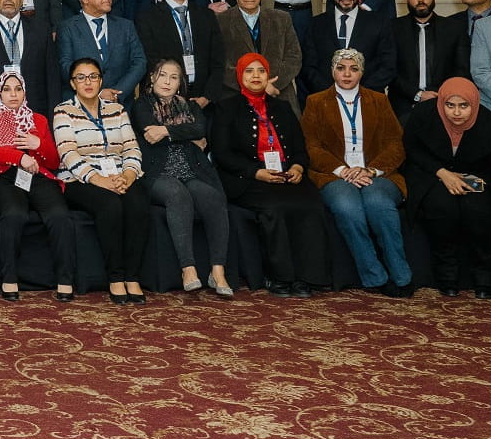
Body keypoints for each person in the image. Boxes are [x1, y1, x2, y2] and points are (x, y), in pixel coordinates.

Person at [210, 53, 331, 297]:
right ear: (239, 76)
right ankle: (279, 277)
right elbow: (222, 153)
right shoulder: (225, 108)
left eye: (261, 71)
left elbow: (300, 148)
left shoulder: (283, 107)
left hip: (286, 174)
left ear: (268, 76)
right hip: (247, 177)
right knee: (275, 207)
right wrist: (256, 173)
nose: (256, 76)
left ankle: (306, 278)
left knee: (311, 205)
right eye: (249, 71)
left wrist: (297, 168)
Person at [302, 48, 413, 296]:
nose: (347, 74)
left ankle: (401, 276)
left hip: (377, 173)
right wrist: (343, 170)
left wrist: (370, 170)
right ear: (332, 71)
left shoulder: (379, 100)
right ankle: (375, 276)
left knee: (379, 204)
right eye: (341, 68)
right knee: (347, 207)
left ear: (362, 72)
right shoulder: (315, 102)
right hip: (333, 174)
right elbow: (311, 146)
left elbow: (396, 144)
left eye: (354, 69)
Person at [403, 77, 491, 298]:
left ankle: (484, 280)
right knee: (443, 208)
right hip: (433, 175)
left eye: (464, 106)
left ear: (474, 104)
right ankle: (447, 278)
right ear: (441, 102)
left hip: (477, 177)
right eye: (450, 105)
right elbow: (411, 150)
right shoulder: (424, 114)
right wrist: (442, 173)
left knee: (478, 210)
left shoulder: (490, 123)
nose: (456, 112)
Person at [53, 58, 150, 304]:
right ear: (72, 83)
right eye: (81, 77)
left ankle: (133, 277)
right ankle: (115, 277)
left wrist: (127, 176)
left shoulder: (117, 110)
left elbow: (132, 148)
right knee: (110, 205)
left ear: (101, 80)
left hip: (120, 175)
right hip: (78, 180)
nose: (88, 82)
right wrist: (100, 180)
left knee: (138, 203)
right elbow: (68, 154)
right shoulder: (63, 111)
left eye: (93, 76)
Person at [133, 59, 232, 296]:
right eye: (162, 75)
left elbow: (199, 129)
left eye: (174, 77)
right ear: (152, 78)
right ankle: (188, 268)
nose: (167, 82)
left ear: (181, 83)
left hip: (191, 170)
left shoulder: (191, 106)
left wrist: (165, 130)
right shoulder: (141, 104)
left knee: (212, 197)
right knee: (178, 195)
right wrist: (184, 135)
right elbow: (149, 132)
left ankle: (217, 270)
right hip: (158, 172)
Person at [0, 70, 73, 302]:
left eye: (18, 89)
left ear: (24, 92)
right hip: (3, 177)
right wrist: (19, 157)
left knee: (59, 215)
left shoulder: (38, 120)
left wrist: (38, 144)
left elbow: (54, 161)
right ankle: (9, 277)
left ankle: (65, 279)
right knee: (14, 213)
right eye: (7, 89)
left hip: (36, 176)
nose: (13, 94)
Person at [134, 0, 224, 104]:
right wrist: (171, 97)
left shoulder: (206, 15)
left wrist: (207, 97)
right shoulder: (148, 18)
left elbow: (218, 60)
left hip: (204, 98)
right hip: (166, 100)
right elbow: (151, 62)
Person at [215, 0, 304, 111]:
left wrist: (272, 85)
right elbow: (219, 63)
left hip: (278, 93)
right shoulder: (220, 22)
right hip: (237, 98)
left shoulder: (281, 18)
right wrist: (254, 86)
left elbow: (294, 58)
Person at [302, 0, 398, 95]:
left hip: (368, 97)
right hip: (326, 99)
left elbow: (388, 65)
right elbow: (308, 67)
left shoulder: (379, 23)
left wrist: (360, 93)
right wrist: (332, 93)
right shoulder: (315, 25)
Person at [55, 0, 146, 104]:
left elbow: (139, 62)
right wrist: (98, 92)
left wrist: (117, 92)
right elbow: (65, 67)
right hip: (81, 105)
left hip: (121, 103)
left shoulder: (126, 26)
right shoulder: (67, 28)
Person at [391, 0, 470, 122]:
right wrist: (417, 95)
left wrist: (438, 94)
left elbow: (462, 70)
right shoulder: (392, 29)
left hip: (445, 103)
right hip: (402, 108)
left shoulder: (454, 29)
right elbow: (389, 70)